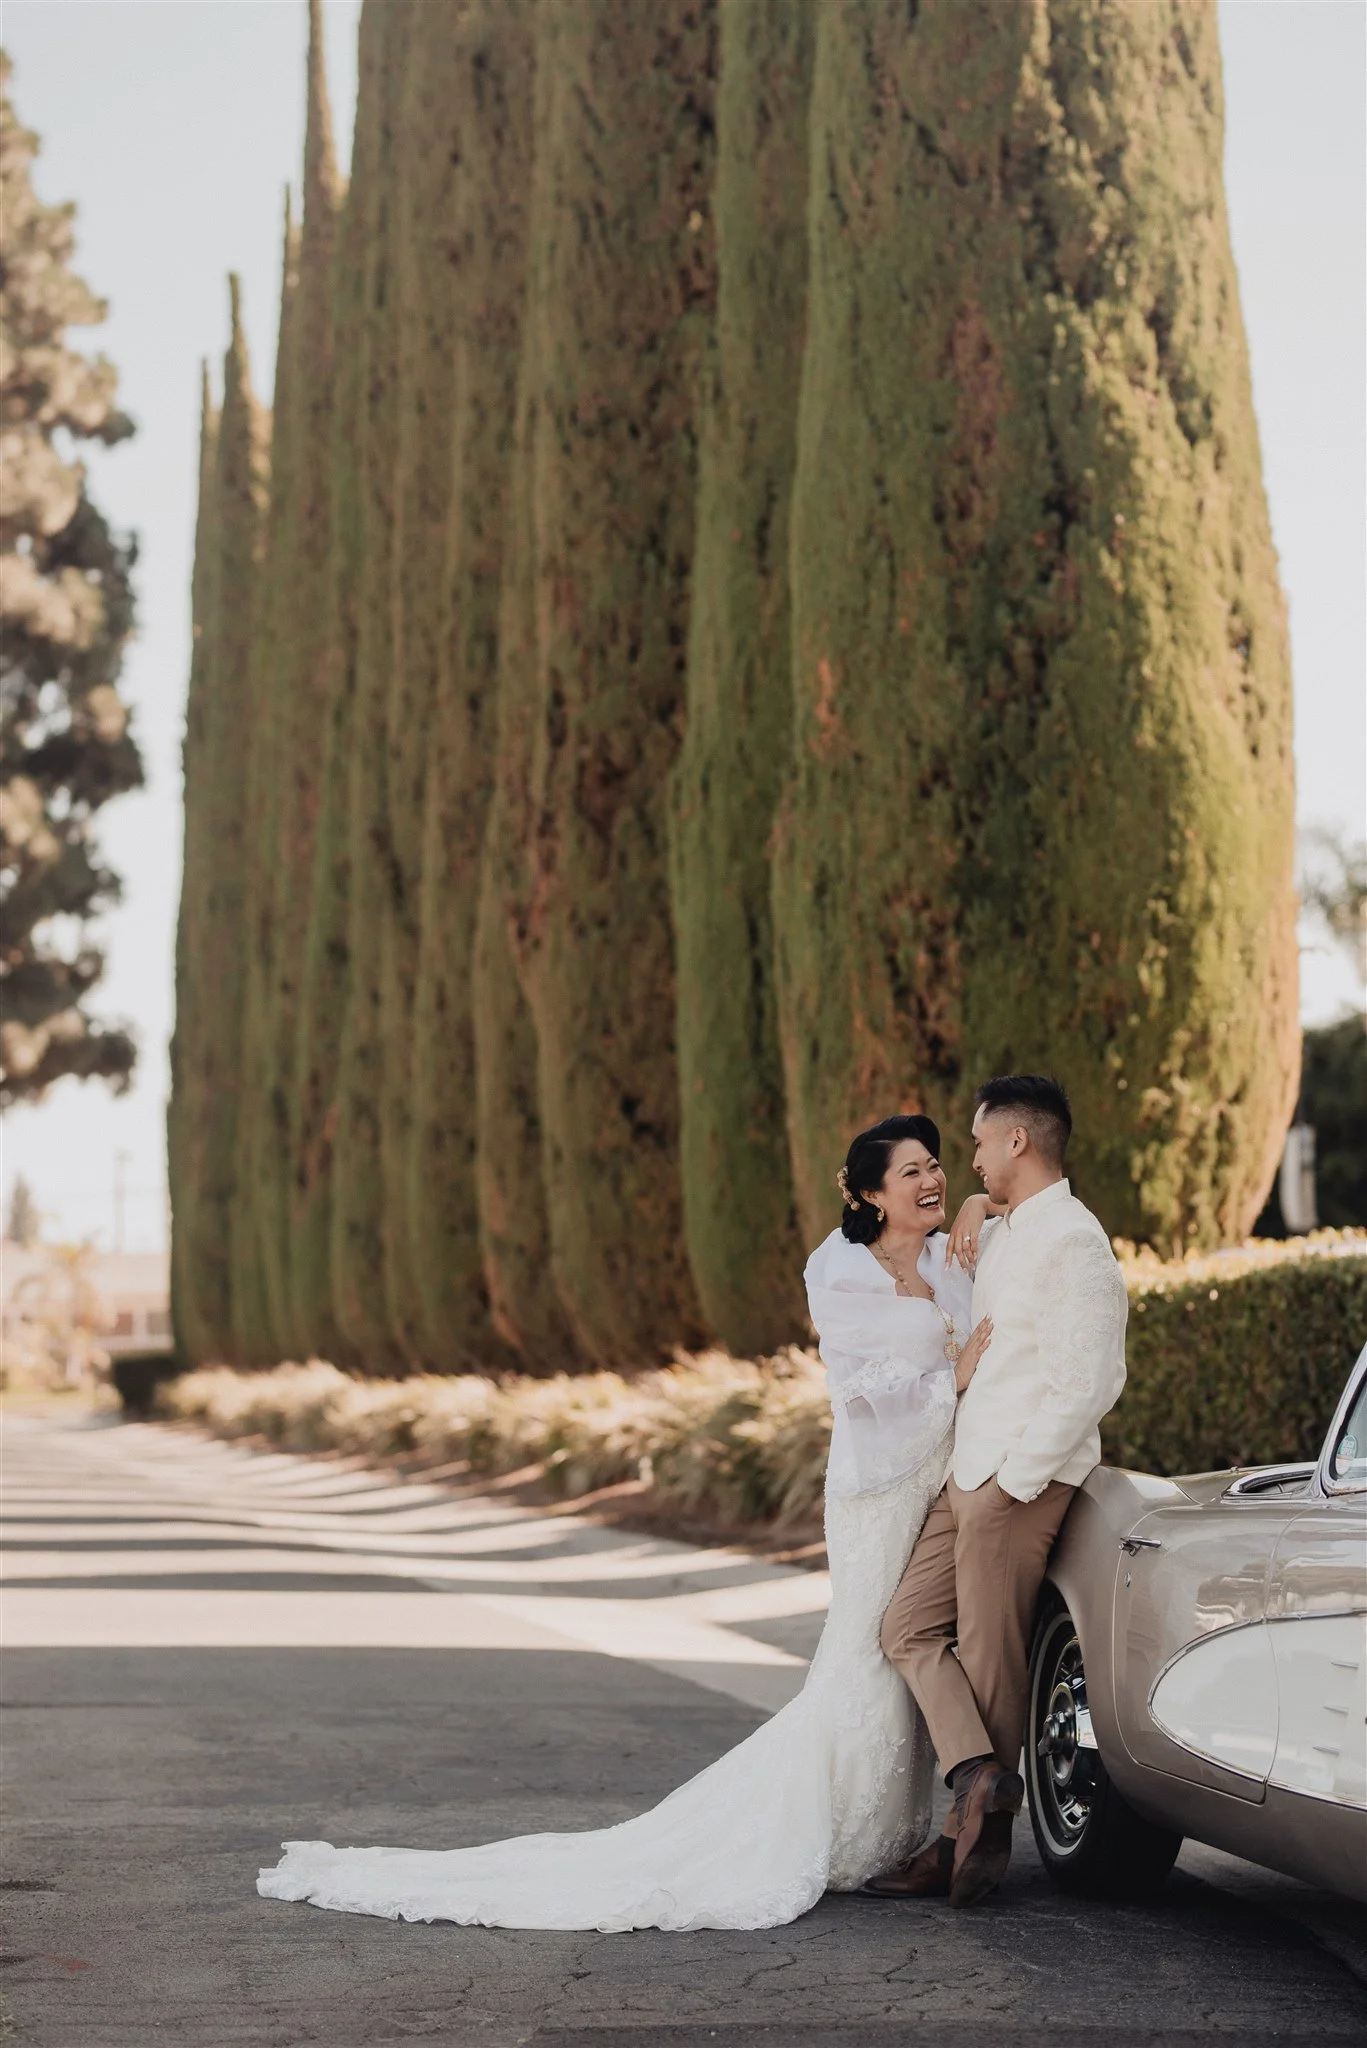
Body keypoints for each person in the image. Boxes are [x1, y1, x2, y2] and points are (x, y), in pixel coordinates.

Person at [256, 1113, 992, 1932]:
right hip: (878, 1486)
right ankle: (845, 1829)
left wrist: (971, 1207)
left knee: (910, 1642)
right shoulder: (840, 1271)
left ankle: (900, 1825)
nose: (930, 1180)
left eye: (934, 1166)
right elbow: (861, 1393)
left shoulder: (945, 1252)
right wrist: (950, 1381)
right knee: (863, 1648)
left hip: (945, 1478)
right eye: (911, 1173)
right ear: (867, 1194)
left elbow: (1015, 1218)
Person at [865, 1075, 1128, 1910]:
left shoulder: (1075, 1243)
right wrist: (979, 1208)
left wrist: (1014, 1481)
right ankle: (979, 1776)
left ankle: (962, 1843)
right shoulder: (1011, 1228)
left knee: (989, 1653)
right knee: (904, 1628)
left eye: (978, 1143)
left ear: (1016, 1141)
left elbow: (1090, 1379)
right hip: (966, 1470)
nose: (969, 1160)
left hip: (1015, 1479)